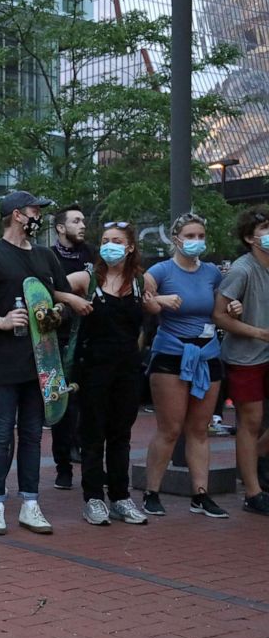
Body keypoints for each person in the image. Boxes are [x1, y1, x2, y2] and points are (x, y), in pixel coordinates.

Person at [0, 191, 91, 536]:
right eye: (34, 210)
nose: (38, 215)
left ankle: (30, 503)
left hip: (42, 360)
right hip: (4, 359)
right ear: (17, 215)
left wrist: (59, 311)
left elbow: (57, 296)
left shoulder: (45, 256)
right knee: (0, 434)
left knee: (31, 434)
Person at [142, 213, 228, 518]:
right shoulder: (161, 270)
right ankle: (152, 492)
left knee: (199, 429)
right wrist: (161, 300)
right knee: (170, 428)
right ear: (176, 239)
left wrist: (235, 306)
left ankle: (200, 494)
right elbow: (144, 298)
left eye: (200, 236)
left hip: (207, 354)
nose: (196, 241)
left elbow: (221, 307)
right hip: (172, 354)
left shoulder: (212, 273)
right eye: (190, 236)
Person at [67, 221, 150, 525]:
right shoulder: (87, 278)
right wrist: (70, 299)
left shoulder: (141, 281)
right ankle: (93, 498)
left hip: (128, 368)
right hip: (93, 367)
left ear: (130, 247)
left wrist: (158, 305)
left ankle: (120, 497)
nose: (110, 245)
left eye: (117, 240)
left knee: (121, 433)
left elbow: (149, 316)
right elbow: (44, 288)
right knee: (92, 434)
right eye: (105, 240)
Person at [211, 206, 269, 515]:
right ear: (249, 238)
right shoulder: (242, 270)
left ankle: (251, 460)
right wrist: (258, 333)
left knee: (256, 426)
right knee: (251, 421)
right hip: (245, 356)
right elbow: (219, 315)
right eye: (265, 230)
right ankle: (252, 492)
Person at [49, 204, 95, 489]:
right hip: (58, 338)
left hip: (88, 336)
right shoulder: (49, 256)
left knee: (86, 403)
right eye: (76, 221)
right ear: (60, 227)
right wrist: (69, 300)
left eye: (84, 220)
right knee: (62, 404)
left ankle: (89, 463)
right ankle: (62, 466)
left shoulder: (91, 254)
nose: (82, 225)